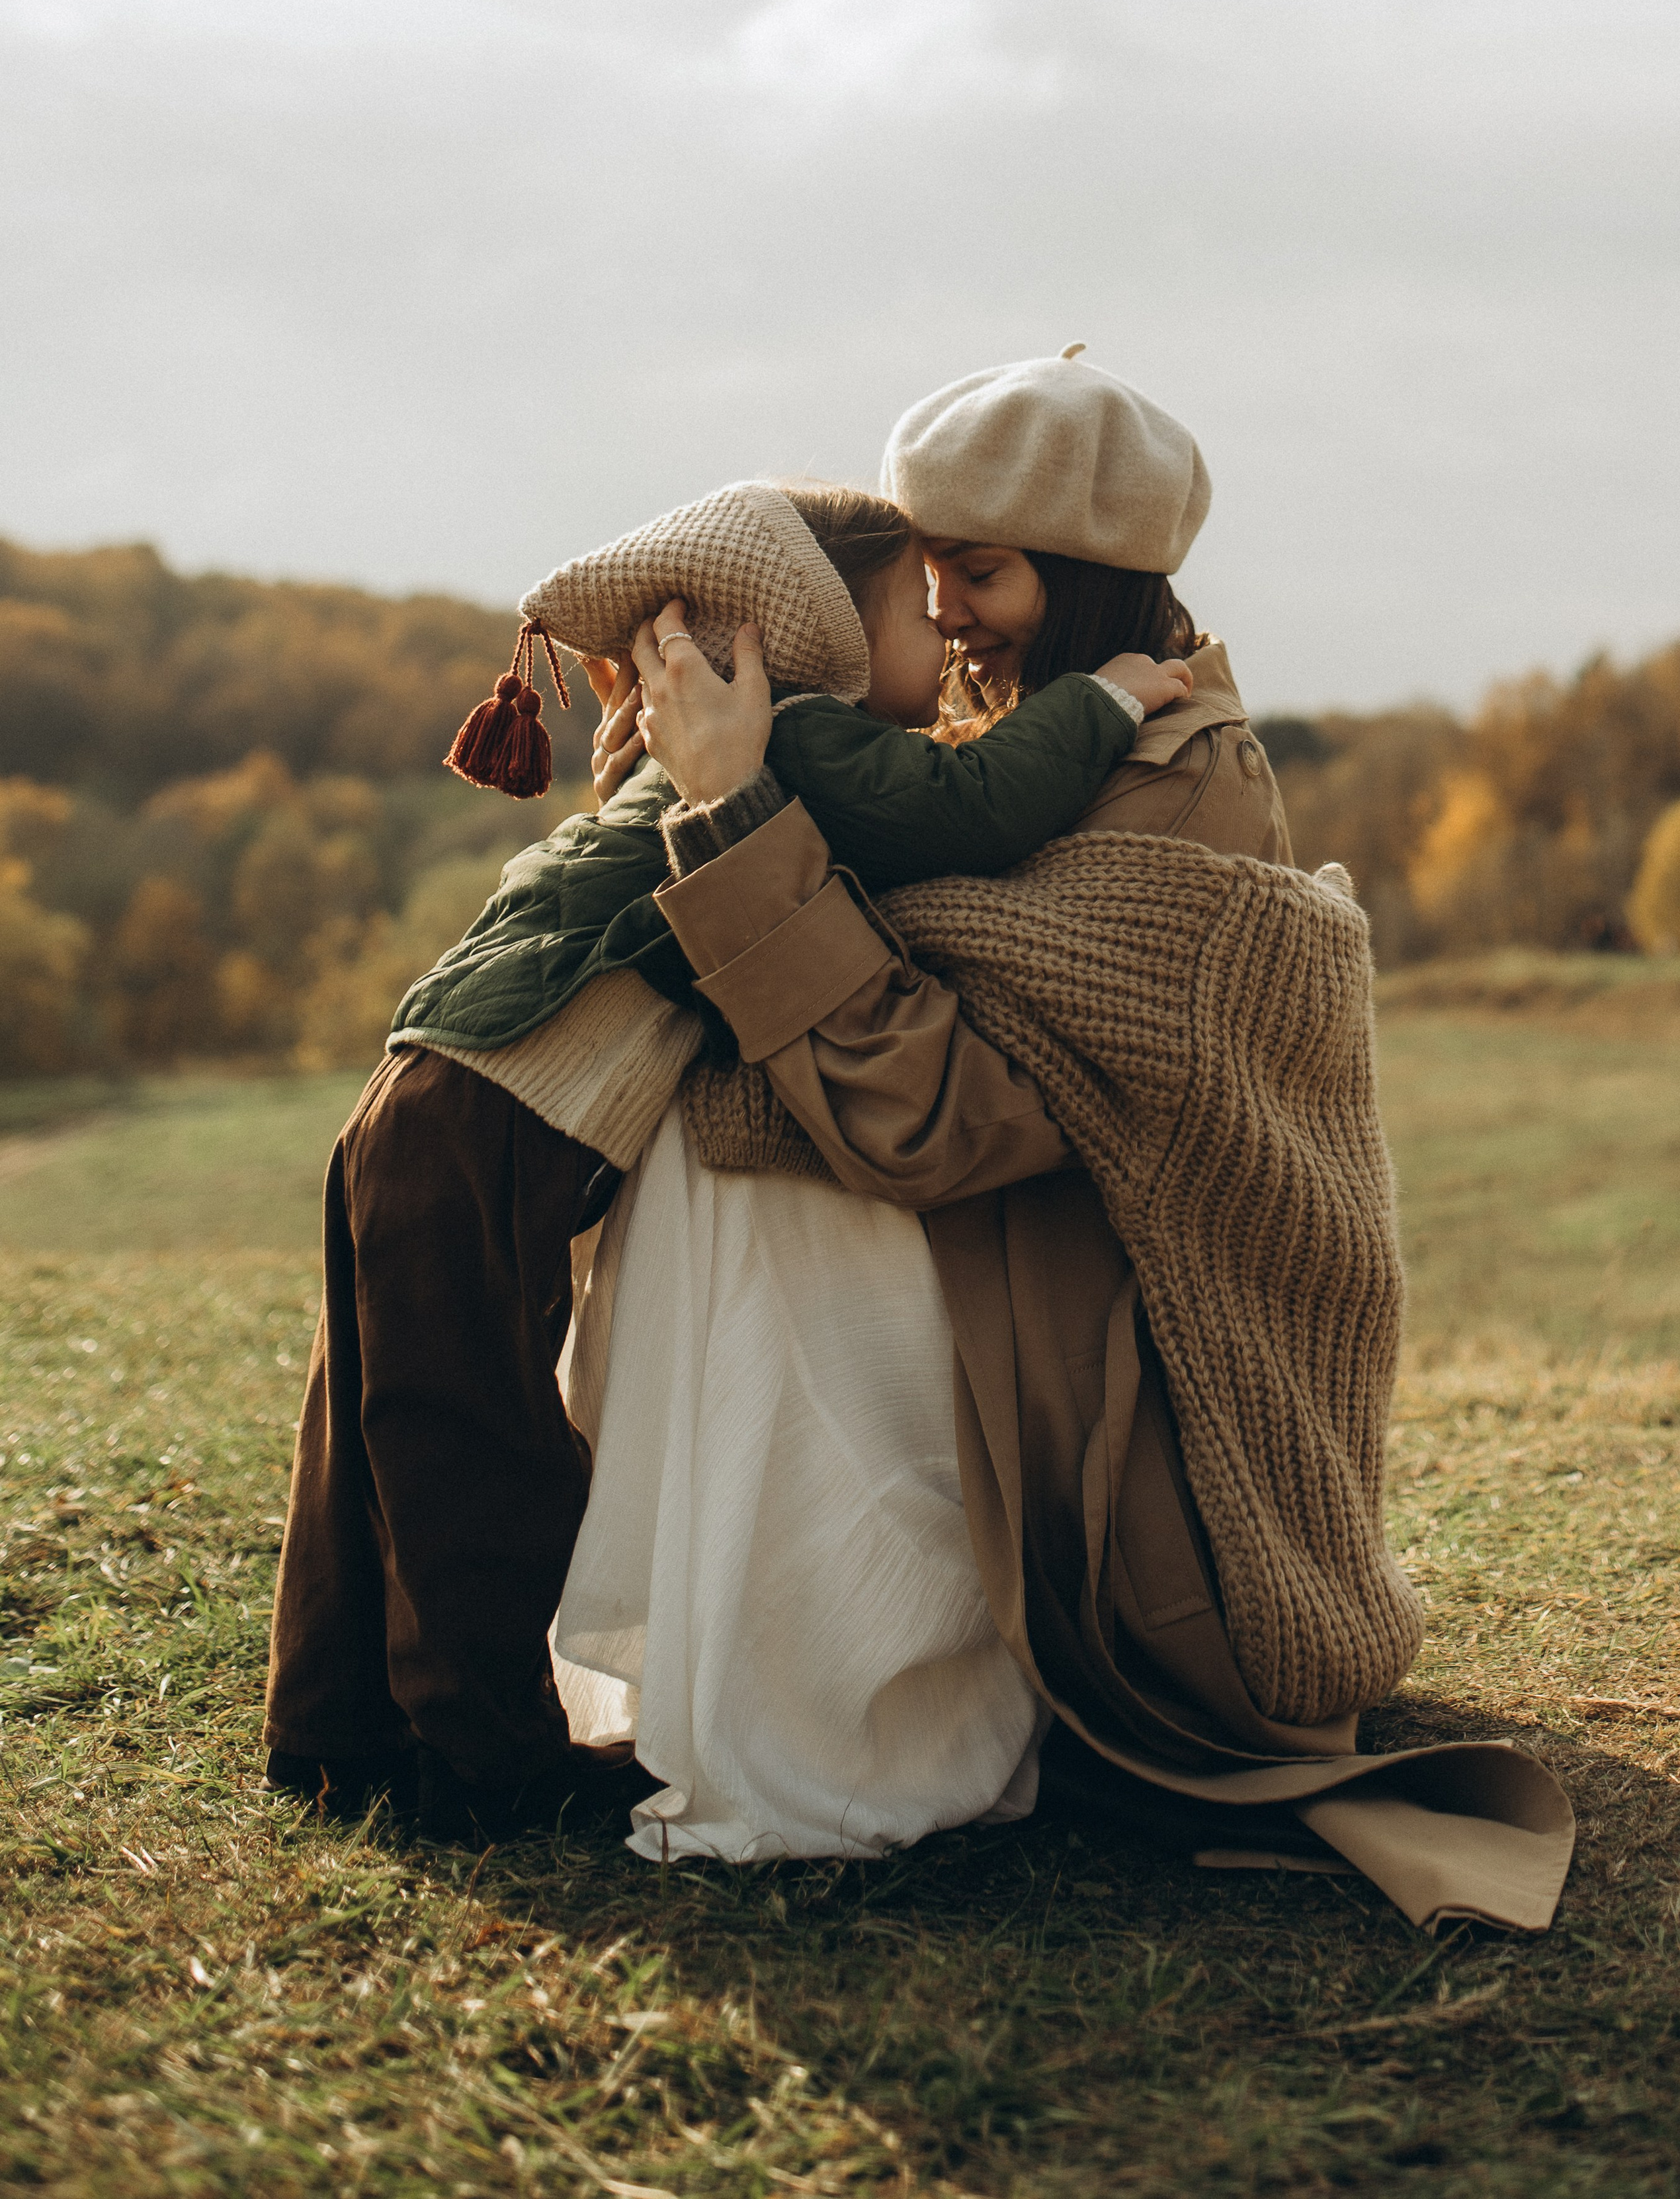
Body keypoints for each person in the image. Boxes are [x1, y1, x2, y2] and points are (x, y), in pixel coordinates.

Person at [610, 350, 1574, 1930]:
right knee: (711, 1146)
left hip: (1116, 1337)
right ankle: (758, 1661)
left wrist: (732, 826)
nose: (946, 608)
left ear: (1085, 576)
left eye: (979, 572)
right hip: (1021, 1245)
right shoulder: (998, 744)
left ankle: (861, 1699)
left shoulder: (1177, 784)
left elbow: (938, 1118)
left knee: (766, 1179)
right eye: (926, 573)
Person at [263, 474, 1188, 1839]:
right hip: (480, 1123)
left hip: (417, 1099)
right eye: (912, 615)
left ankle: (333, 1738)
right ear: (817, 629)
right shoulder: (798, 739)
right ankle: (485, 1764)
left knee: (379, 1422)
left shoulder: (707, 753)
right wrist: (1109, 695)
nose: (940, 647)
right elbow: (971, 806)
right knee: (475, 1443)